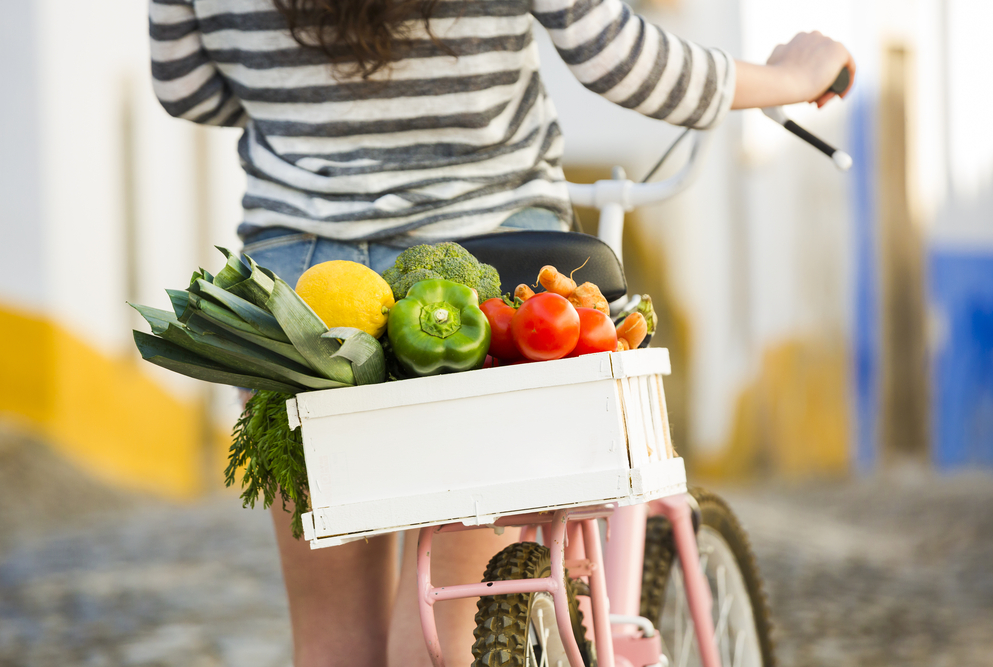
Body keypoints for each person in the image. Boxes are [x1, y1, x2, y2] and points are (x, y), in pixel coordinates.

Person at [149, 0, 854, 665]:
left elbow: (187, 89)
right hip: (485, 282)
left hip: (301, 302)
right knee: (448, 629)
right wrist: (792, 76)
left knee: (332, 637)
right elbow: (618, 56)